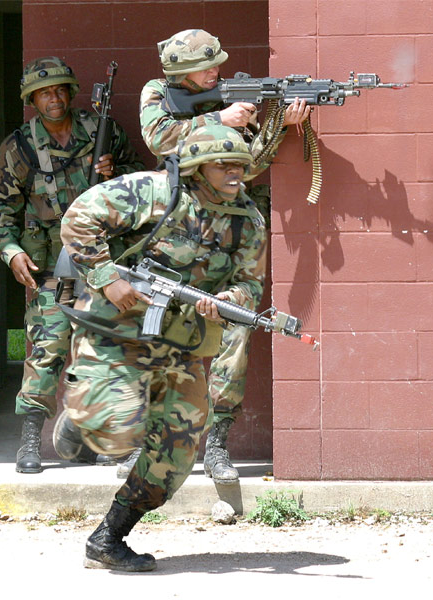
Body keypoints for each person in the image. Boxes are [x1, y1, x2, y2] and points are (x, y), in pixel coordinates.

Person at [52, 124, 267, 571]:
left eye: (240, 165)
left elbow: (249, 283)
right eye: (222, 164)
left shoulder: (248, 221)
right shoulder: (155, 192)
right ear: (195, 168)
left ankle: (108, 538)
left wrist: (230, 301)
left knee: (178, 447)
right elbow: (78, 217)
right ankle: (80, 419)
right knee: (114, 427)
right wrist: (107, 278)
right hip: (117, 328)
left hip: (180, 340)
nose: (234, 173)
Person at [138, 29, 311, 484]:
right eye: (206, 66)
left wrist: (278, 126)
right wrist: (220, 118)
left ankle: (216, 445)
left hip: (228, 222)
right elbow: (160, 139)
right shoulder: (158, 92)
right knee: (162, 338)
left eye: (217, 64)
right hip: (178, 221)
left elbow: (247, 165)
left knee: (234, 330)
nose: (216, 72)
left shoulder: (230, 102)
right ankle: (153, 445)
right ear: (180, 72)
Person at [0, 56, 145, 474]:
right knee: (48, 344)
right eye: (43, 93)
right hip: (56, 269)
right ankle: (30, 442)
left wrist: (115, 171)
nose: (53, 99)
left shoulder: (100, 131)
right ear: (32, 100)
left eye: (59, 90)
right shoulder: (19, 147)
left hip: (103, 260)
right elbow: (1, 210)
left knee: (110, 347)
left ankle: (117, 440)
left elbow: (139, 181)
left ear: (70, 94)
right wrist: (11, 251)